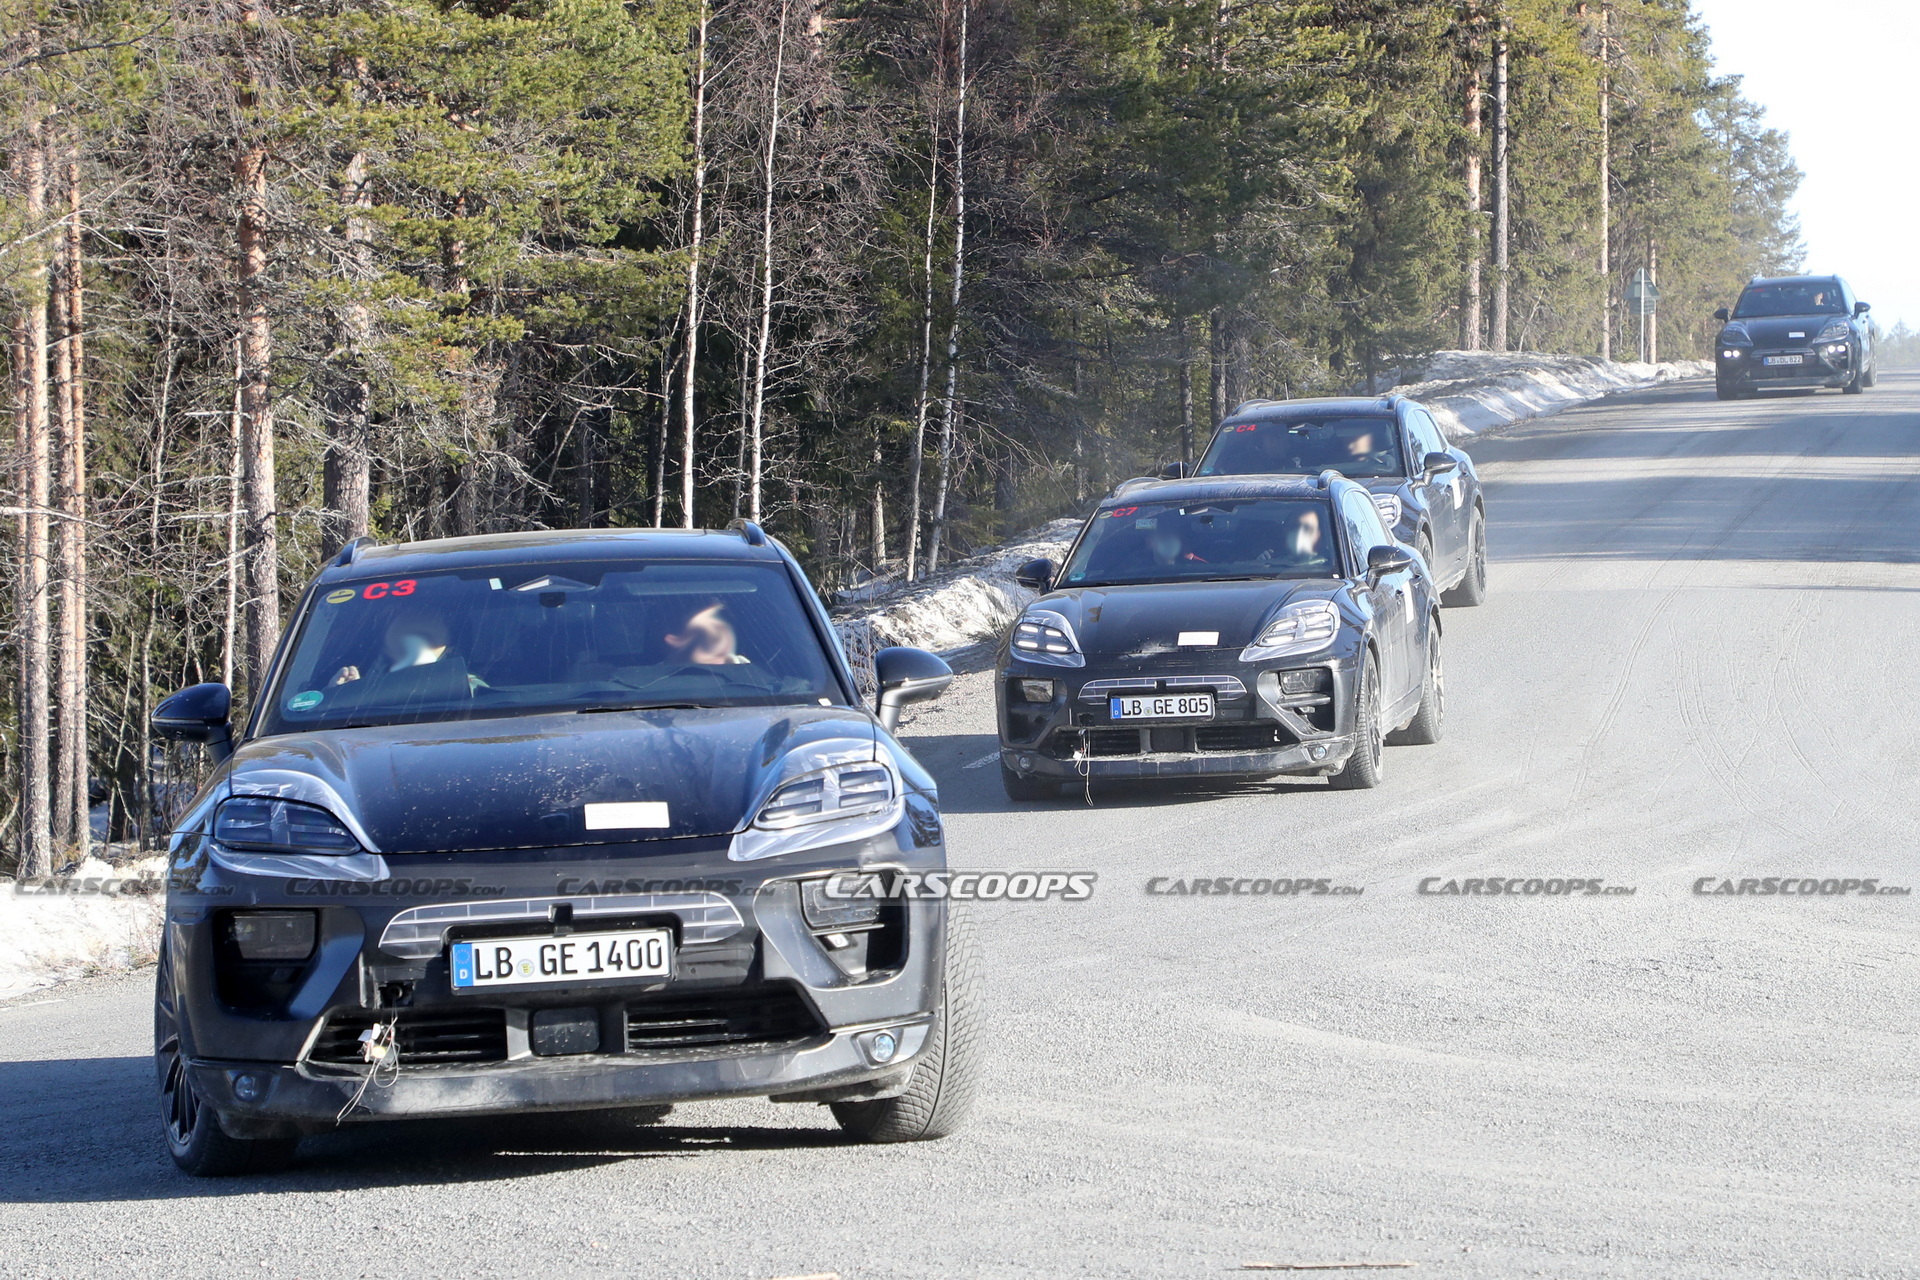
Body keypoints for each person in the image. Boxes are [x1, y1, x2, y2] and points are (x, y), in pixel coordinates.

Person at [331, 612, 453, 686]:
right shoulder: (355, 673)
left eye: (426, 638)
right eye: (405, 634)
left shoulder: (467, 691)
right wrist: (340, 694)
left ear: (449, 648)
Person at [666, 602, 752, 664]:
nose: (722, 650)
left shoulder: (744, 671)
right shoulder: (656, 681)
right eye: (704, 641)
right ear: (674, 640)